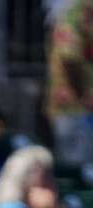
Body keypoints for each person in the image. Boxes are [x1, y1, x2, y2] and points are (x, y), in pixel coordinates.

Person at [44, 0, 93, 166]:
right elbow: (67, 60)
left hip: (84, 110)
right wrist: (84, 95)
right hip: (73, 109)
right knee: (79, 168)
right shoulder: (72, 14)